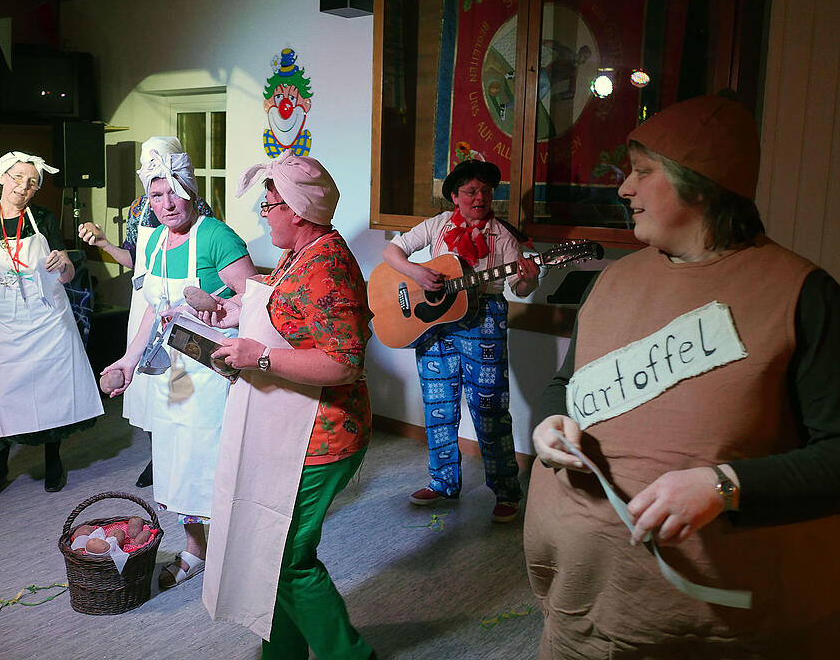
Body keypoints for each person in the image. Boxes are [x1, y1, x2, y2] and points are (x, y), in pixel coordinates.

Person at [526, 95, 840, 658]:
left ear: (699, 185)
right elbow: (566, 385)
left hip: (721, 629)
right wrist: (550, 420)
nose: (624, 189)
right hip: (583, 609)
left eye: (643, 172)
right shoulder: (613, 280)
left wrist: (724, 486)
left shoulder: (805, 295)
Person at [199, 152, 374, 659]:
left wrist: (260, 358)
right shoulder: (299, 254)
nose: (263, 215)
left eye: (268, 205)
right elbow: (285, 311)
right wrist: (230, 312)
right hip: (289, 426)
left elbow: (343, 363)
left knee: (287, 556)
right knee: (269, 547)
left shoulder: (327, 266)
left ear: (296, 211)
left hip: (324, 433)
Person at [101, 148, 255, 589]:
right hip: (172, 372)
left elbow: (256, 300)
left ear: (191, 192)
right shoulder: (152, 241)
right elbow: (154, 309)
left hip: (212, 371)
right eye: (156, 196)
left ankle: (236, 551)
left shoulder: (217, 237)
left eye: (175, 193)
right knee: (180, 465)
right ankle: (195, 549)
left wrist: (215, 306)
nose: (167, 205)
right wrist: (128, 362)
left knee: (215, 463)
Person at [381, 158, 540, 523]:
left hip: (485, 319)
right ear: (455, 196)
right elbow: (392, 251)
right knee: (438, 404)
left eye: (485, 191)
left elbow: (519, 287)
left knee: (489, 409)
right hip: (436, 323)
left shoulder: (503, 236)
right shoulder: (437, 225)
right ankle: (443, 482)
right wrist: (417, 273)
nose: (479, 197)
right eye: (470, 191)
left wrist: (530, 278)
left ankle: (506, 491)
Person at [0, 151, 103, 504]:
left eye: (32, 182)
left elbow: (67, 275)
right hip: (7, 318)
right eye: (17, 177)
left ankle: (53, 459)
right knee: (4, 393)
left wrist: (63, 263)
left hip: (49, 315)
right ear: (2, 177)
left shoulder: (43, 217)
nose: (23, 186)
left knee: (52, 388)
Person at [78, 136, 215, 488]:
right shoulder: (138, 207)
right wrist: (104, 244)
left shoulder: (196, 206)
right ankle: (160, 454)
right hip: (146, 300)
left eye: (160, 160)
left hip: (180, 301)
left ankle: (186, 458)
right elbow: (134, 258)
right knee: (147, 381)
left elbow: (204, 260)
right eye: (146, 162)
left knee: (182, 382)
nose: (165, 201)